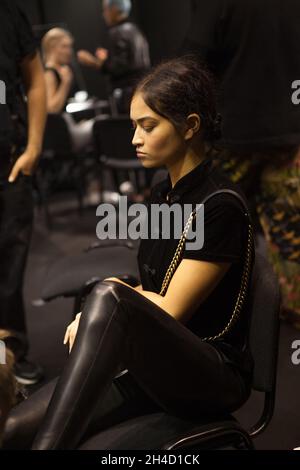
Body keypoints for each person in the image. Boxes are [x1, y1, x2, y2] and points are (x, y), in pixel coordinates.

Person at [3, 57, 254, 450]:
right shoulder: (162, 193)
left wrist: (106, 304)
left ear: (190, 126)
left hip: (210, 375)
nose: (135, 138)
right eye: (135, 125)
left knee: (106, 292)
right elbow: (153, 281)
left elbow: (171, 310)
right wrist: (111, 302)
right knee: (13, 431)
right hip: (155, 361)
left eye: (148, 126)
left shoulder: (220, 206)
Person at [183, 0, 300, 326]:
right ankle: (290, 319)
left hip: (232, 139)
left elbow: (190, 65)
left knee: (214, 229)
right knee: (289, 236)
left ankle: (217, 315)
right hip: (288, 137)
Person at [0, 0, 47, 384]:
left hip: (10, 162)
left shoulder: (9, 13)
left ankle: (10, 359)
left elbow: (35, 79)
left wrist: (32, 149)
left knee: (10, 269)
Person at [77, 0, 150, 114]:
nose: (103, 15)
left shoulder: (118, 32)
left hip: (126, 94)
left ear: (114, 10)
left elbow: (119, 68)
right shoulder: (135, 29)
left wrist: (93, 62)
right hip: (141, 89)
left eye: (105, 10)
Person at [42, 28, 94, 153]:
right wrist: (65, 83)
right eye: (64, 47)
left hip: (66, 127)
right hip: (60, 136)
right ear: (52, 48)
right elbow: (52, 109)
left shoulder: (58, 71)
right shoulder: (49, 73)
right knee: (101, 124)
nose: (69, 52)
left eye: (70, 47)